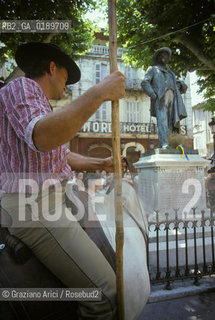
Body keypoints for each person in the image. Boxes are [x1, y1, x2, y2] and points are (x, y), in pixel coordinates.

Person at [0, 42, 125, 319]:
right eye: (67, 80)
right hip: (36, 206)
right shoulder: (22, 87)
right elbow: (43, 138)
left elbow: (60, 154)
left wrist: (100, 163)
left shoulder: (40, 104)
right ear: (52, 68)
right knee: (105, 295)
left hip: (53, 197)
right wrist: (100, 92)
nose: (66, 88)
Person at [141, 47, 188, 148]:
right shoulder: (153, 69)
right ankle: (164, 143)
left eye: (166, 55)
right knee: (162, 120)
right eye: (161, 55)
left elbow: (175, 84)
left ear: (168, 58)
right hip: (160, 98)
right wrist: (152, 93)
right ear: (158, 58)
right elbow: (144, 82)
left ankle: (171, 142)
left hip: (173, 98)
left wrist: (180, 84)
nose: (164, 57)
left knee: (171, 121)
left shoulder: (171, 73)